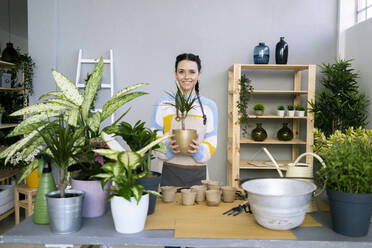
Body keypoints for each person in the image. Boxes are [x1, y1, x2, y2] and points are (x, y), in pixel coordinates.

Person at [151, 53, 218, 187]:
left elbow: (212, 142)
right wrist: (167, 149)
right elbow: (153, 138)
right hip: (167, 171)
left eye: (192, 72)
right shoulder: (163, 103)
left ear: (199, 75)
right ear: (175, 74)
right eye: (181, 72)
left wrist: (198, 151)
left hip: (198, 173)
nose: (186, 77)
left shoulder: (209, 107)